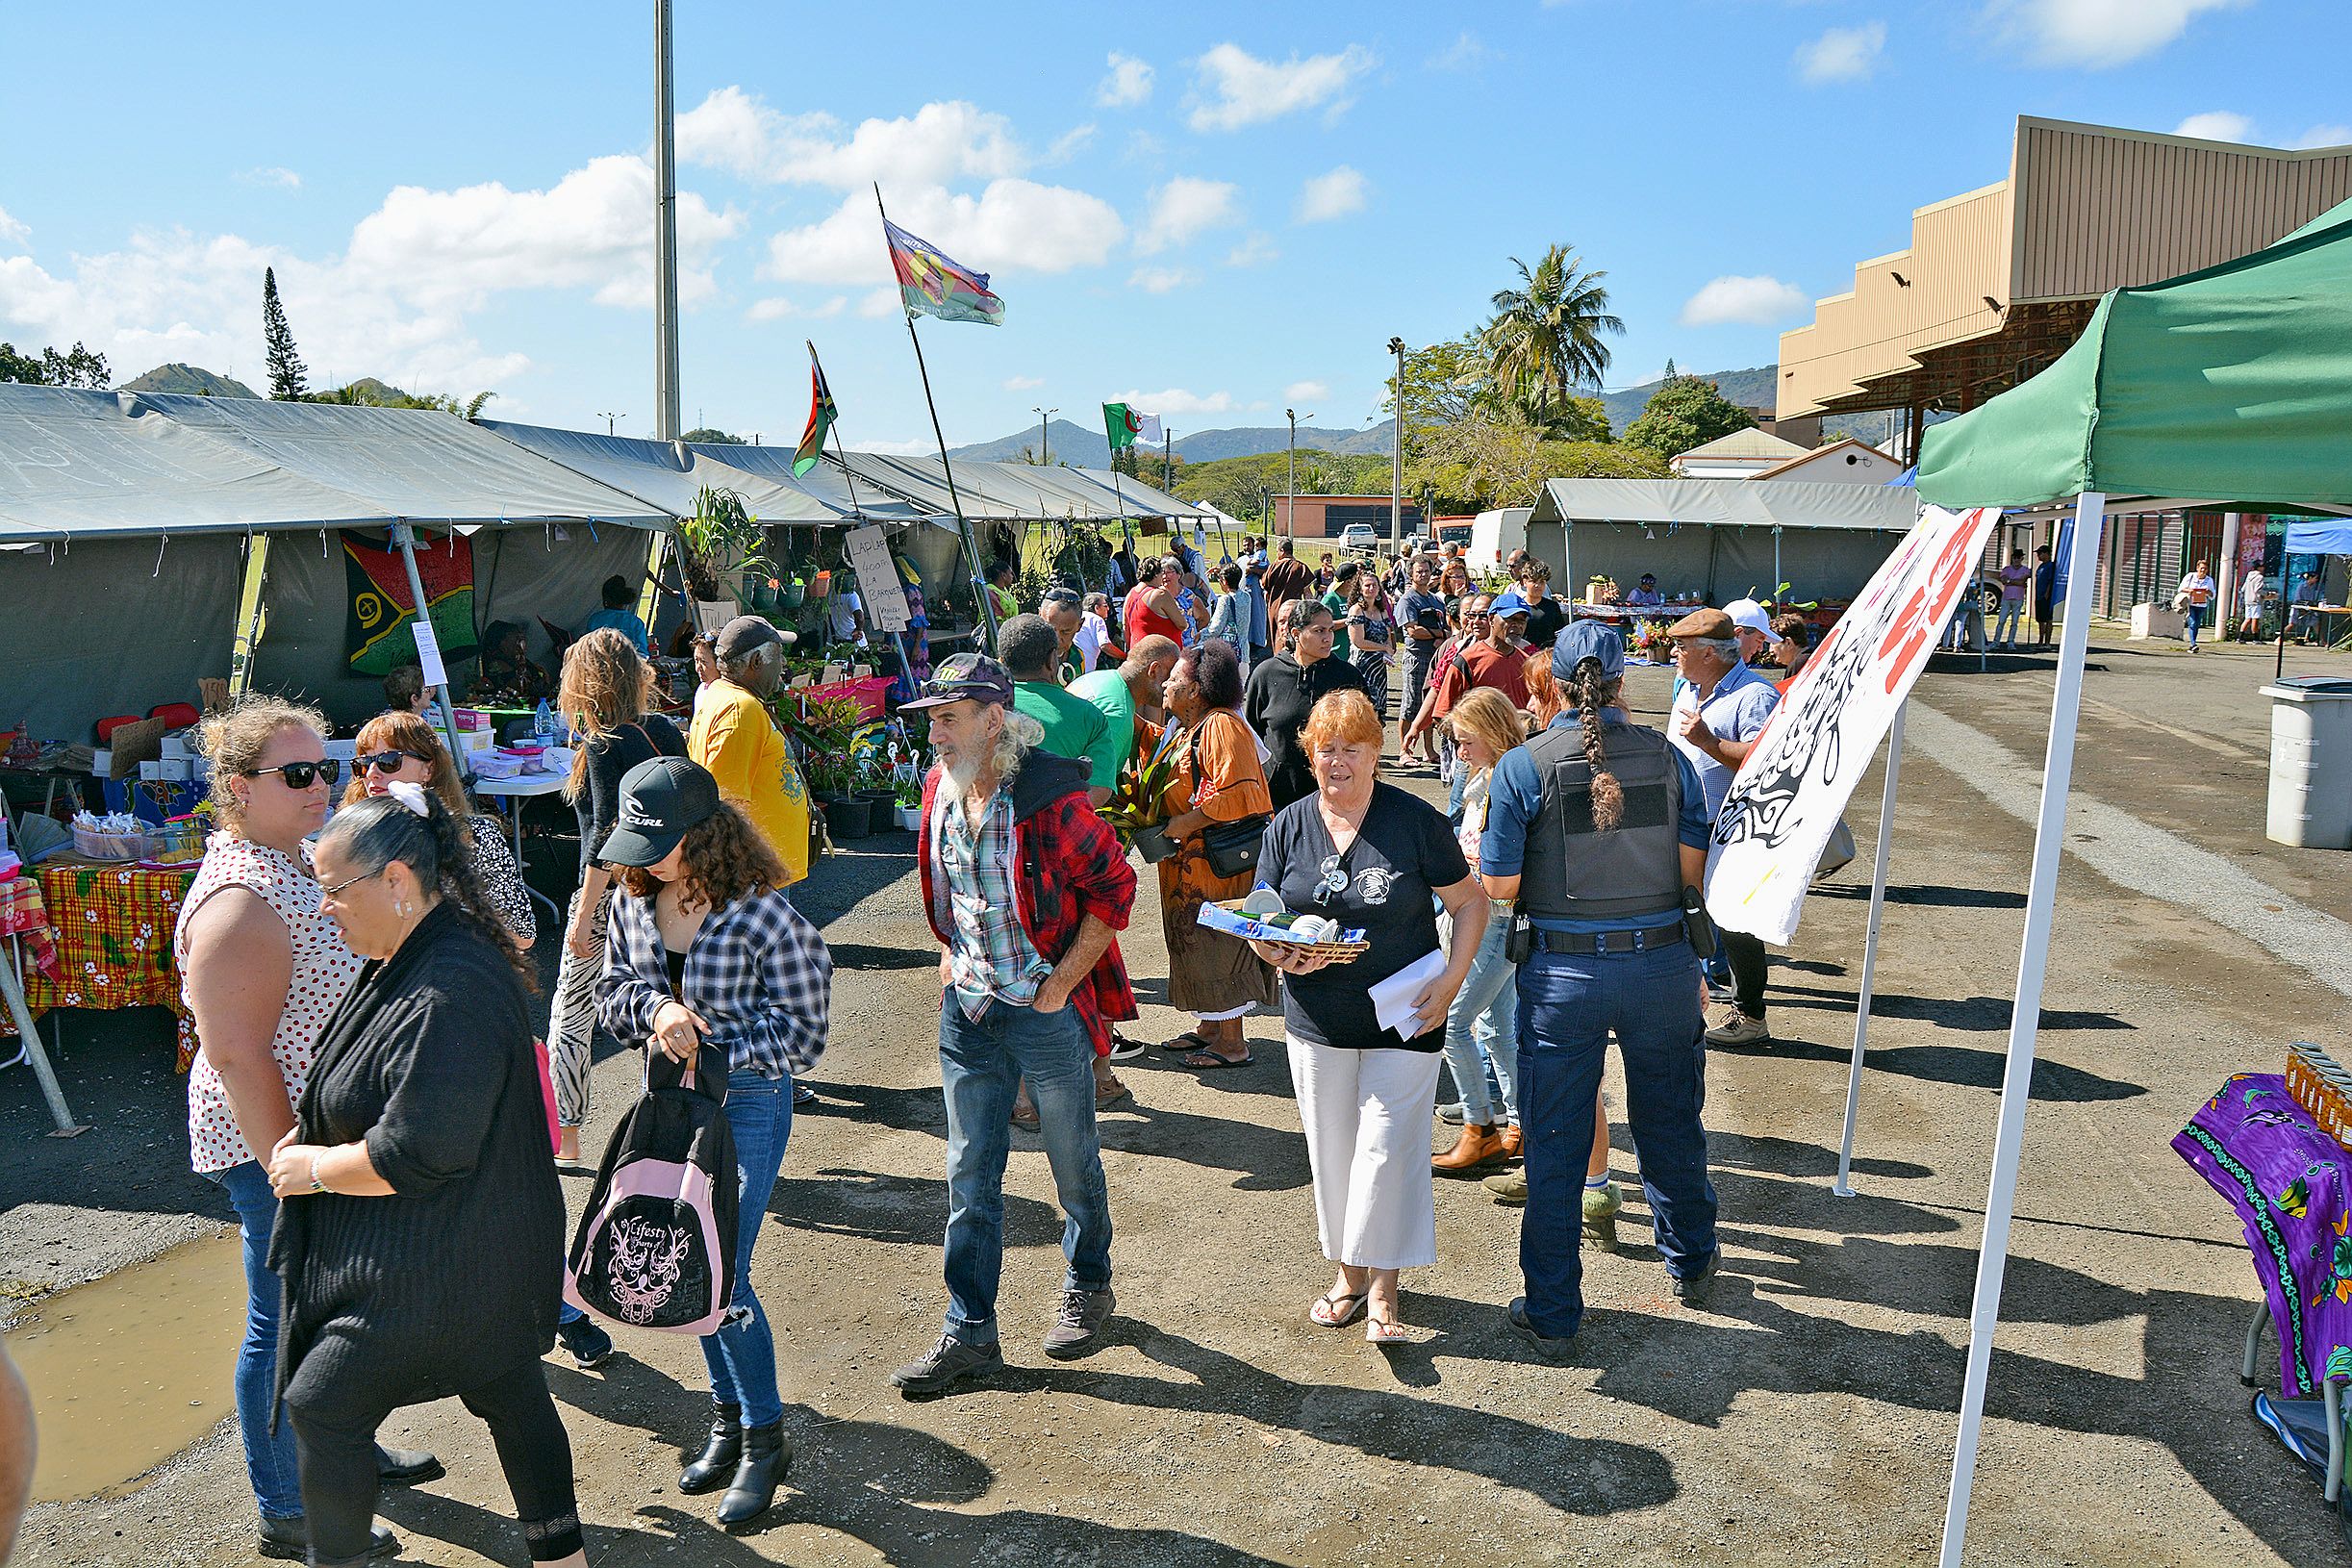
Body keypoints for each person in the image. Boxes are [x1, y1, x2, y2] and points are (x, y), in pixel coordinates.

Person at [275, 789, 583, 1568]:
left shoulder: (450, 985)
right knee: (509, 1385)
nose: (322, 909)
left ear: (399, 880)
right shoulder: (415, 953)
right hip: (476, 1241)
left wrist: (312, 1168)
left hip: (445, 1257)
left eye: (333, 890)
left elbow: (416, 1153)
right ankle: (562, 1556)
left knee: (322, 1406)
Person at [179, 698, 436, 1562]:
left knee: (336, 1311)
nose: (321, 784)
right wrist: (293, 1165)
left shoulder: (291, 859)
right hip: (277, 1149)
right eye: (297, 774)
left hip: (321, 1138)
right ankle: (286, 1504)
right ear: (237, 790)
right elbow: (240, 1057)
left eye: (323, 766)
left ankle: (344, 1447)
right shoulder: (240, 900)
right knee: (282, 1321)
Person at [594, 757, 833, 1527]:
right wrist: (657, 1010)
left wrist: (706, 1040)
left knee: (723, 1275)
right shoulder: (636, 901)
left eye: (653, 841)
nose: (637, 857)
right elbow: (610, 993)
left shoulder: (766, 915)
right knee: (685, 1261)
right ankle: (728, 1422)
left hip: (749, 1104)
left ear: (703, 836)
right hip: (665, 1101)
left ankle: (766, 1441)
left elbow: (805, 1034)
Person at [338, 714, 615, 1370]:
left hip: (467, 1027)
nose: (374, 775)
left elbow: (521, 931)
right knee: (409, 1185)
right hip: (380, 1038)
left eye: (390, 761)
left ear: (428, 767)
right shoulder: (341, 845)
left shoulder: (472, 837)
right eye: (362, 763)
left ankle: (560, 1308)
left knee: (503, 1180)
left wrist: (444, 881)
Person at [892, 655, 1136, 1394]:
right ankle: (969, 1333)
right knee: (970, 1177)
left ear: (993, 720)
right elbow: (947, 886)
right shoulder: (938, 788)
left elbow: (1116, 889)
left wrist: (1062, 984)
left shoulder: (1049, 804)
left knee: (1072, 1161)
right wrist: (947, 953)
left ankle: (1089, 1282)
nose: (934, 734)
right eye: (931, 719)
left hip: (1041, 1011)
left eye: (947, 718)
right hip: (966, 1011)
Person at [1479, 621, 1720, 1357]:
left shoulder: (1523, 767)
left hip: (1563, 977)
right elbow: (1691, 870)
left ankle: (1553, 1307)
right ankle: (1692, 1259)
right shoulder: (1669, 758)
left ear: (1549, 680)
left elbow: (1500, 884)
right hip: (1660, 970)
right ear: (1622, 681)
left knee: (1553, 1144)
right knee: (1669, 1120)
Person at [1249, 690, 1486, 1344]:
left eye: (1351, 749)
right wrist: (1270, 948)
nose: (1338, 762)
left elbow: (1470, 906)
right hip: (1315, 1020)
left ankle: (1383, 1288)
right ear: (1309, 753)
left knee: (1386, 1150)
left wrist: (1451, 979)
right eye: (1326, 749)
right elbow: (1261, 909)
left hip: (1405, 1012)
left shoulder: (1414, 821)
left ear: (1375, 752)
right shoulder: (1289, 822)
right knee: (1333, 1154)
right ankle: (1348, 1274)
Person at [547, 628, 688, 1166]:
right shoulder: (663, 731)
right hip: (665, 892)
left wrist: (583, 915)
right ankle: (671, 1127)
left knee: (571, 1011)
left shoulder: (603, 744)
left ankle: (568, 1135)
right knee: (661, 1007)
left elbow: (604, 834)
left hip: (612, 896)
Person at [1147, 641, 1278, 1070]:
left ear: (1197, 689)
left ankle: (1232, 1043)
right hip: (1189, 866)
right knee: (1196, 942)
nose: (1166, 684)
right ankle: (1210, 1027)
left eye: (1175, 679)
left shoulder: (1222, 725)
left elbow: (1241, 792)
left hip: (1215, 868)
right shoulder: (1190, 727)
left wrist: (1183, 824)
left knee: (1219, 940)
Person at [1666, 608, 1783, 1048]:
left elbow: (1768, 761)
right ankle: (1691, 994)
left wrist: (1709, 743)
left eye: (1683, 648)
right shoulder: (1690, 690)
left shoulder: (1755, 695)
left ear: (1711, 654)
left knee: (1734, 923)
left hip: (1730, 826)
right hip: (1687, 822)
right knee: (1687, 911)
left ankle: (1751, 1015)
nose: (1674, 653)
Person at [1429, 688, 1528, 1176]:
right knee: (1496, 1026)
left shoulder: (1510, 781)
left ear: (1491, 735)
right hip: (1486, 914)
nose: (1459, 752)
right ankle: (1518, 1123)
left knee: (1452, 1021)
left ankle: (1480, 1129)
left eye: (1466, 742)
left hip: (1498, 917)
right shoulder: (1487, 776)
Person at [689, 617, 813, 890]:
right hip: (756, 875)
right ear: (756, 662)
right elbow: (728, 803)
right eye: (778, 656)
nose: (783, 667)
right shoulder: (740, 709)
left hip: (763, 871)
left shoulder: (725, 696)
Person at [1245, 599, 1369, 809]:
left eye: (1330, 630)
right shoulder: (1266, 674)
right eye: (1319, 631)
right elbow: (1251, 734)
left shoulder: (1348, 676)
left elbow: (1368, 735)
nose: (1328, 638)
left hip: (1334, 792)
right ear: (1296, 634)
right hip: (1277, 795)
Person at [1003, 614, 1120, 809]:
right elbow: (1099, 790)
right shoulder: (1090, 716)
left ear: (1000, 660)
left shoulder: (983, 707)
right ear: (1051, 661)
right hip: (1056, 834)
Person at [1068, 635, 1180, 793]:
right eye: (1172, 677)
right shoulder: (1119, 717)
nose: (1172, 686)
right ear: (1153, 670)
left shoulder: (1099, 677)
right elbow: (1093, 792)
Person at [1396, 555, 1449, 766]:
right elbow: (1413, 630)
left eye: (1427, 571)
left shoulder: (1435, 599)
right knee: (1410, 705)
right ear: (1411, 574)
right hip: (1416, 658)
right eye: (1419, 572)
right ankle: (1404, 751)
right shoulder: (1408, 600)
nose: (1424, 575)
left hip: (1435, 659)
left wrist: (1440, 636)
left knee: (1429, 704)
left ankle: (1428, 750)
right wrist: (1440, 635)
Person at [1346, 566, 1394, 730]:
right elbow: (1358, 641)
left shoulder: (1382, 611)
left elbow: (1388, 638)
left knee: (1377, 713)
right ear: (1360, 589)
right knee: (1361, 710)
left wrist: (1389, 650)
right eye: (1367, 585)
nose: (1371, 588)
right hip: (1362, 667)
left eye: (1374, 585)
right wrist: (1383, 647)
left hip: (1379, 668)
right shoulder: (1356, 610)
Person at [1123, 555, 1192, 654]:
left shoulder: (1131, 594)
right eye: (1161, 573)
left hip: (1137, 651)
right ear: (1156, 574)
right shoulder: (1160, 594)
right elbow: (1182, 624)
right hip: (1161, 654)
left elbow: (1126, 626)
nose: (1163, 577)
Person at [478, 621, 553, 705]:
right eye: (517, 638)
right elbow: (522, 689)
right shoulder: (496, 663)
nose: (520, 643)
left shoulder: (517, 659)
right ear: (502, 641)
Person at [581, 573, 650, 654]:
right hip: (628, 665)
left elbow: (587, 649)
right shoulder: (635, 622)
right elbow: (643, 654)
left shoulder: (595, 619)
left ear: (606, 599)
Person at [1205, 562, 1251, 674]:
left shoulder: (1225, 600)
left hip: (1228, 656)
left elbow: (1215, 629)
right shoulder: (1246, 597)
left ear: (1224, 581)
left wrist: (1200, 635)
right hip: (1243, 654)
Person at [1039, 587, 1088, 681]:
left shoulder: (1078, 657)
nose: (1056, 639)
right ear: (1040, 616)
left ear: (1079, 626)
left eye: (1066, 632)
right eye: (1050, 629)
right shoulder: (1023, 654)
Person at [1262, 540, 1313, 633]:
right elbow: (1307, 594)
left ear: (1282, 551)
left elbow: (1265, 589)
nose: (1277, 555)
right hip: (1294, 610)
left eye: (1277, 552)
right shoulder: (1301, 567)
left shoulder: (1273, 567)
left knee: (1276, 638)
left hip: (1275, 610)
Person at [1517, 559, 1566, 652]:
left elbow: (1560, 635)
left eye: (1542, 582)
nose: (1537, 586)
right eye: (1534, 581)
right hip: (1521, 656)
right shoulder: (1517, 607)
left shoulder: (1552, 607)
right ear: (1524, 582)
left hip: (1545, 658)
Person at [1240, 536, 1272, 669]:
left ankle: (1256, 645)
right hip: (1243, 593)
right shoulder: (1241, 560)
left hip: (1256, 594)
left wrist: (1253, 570)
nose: (1246, 547)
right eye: (1244, 545)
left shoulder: (1261, 558)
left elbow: (1266, 572)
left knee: (1257, 618)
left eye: (1249, 545)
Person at [1320, 560, 1360, 661]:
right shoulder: (1330, 599)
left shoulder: (1358, 598)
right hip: (1337, 653)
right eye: (1357, 578)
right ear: (1348, 581)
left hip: (1355, 653)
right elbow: (1323, 625)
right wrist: (1349, 620)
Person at [2176, 557, 2218, 653]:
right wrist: (2190, 590)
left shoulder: (2209, 580)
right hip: (2191, 604)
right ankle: (2193, 643)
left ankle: (2192, 644)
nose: (2203, 571)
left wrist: (2208, 592)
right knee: (2193, 623)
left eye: (2205, 569)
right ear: (2197, 568)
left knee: (2197, 624)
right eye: (2201, 568)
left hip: (2202, 605)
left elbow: (2213, 594)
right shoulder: (2190, 576)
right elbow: (2181, 588)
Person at [1994, 549, 2033, 650]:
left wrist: (2010, 581)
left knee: (2014, 622)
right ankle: (1996, 641)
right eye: (2015, 557)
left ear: (2022, 558)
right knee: (2001, 621)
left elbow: (2022, 581)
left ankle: (2011, 641)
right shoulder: (2006, 569)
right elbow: (2004, 580)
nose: (2016, 559)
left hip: (2018, 598)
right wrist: (2017, 582)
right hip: (2006, 598)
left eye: (2018, 557)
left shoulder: (2025, 570)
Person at [1769, 614, 1814, 695]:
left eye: (1773, 643)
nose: (1770, 650)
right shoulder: (1811, 658)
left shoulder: (1798, 665)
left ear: (1788, 642)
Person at [2035, 546, 2060, 647]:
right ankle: (2040, 640)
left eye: (2040, 553)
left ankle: (2047, 642)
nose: (2038, 555)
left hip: (2046, 597)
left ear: (2046, 553)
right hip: (2039, 596)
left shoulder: (2051, 566)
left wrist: (2047, 593)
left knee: (2048, 619)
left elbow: (2051, 580)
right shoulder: (2041, 566)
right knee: (2040, 620)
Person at [985, 560, 1021, 626]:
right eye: (1010, 573)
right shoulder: (991, 592)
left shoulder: (1005, 591)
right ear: (1003, 575)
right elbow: (997, 621)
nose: (1012, 576)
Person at [2292, 573, 2325, 644]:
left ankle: (2323, 641)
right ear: (2310, 578)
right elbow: (2297, 599)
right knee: (2293, 623)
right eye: (2315, 578)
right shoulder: (2301, 586)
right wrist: (2303, 606)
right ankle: (2281, 637)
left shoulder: (2315, 587)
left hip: (2310, 608)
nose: (2316, 580)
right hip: (2300, 607)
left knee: (2315, 623)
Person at [2238, 562, 2266, 642]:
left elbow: (2243, 589)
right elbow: (2257, 590)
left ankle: (2240, 637)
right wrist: (2266, 593)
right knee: (2255, 619)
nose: (2263, 568)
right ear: (2259, 568)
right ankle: (2255, 638)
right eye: (2262, 566)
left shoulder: (2249, 576)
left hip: (2248, 600)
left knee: (2247, 619)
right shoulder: (2260, 577)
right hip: (2255, 600)